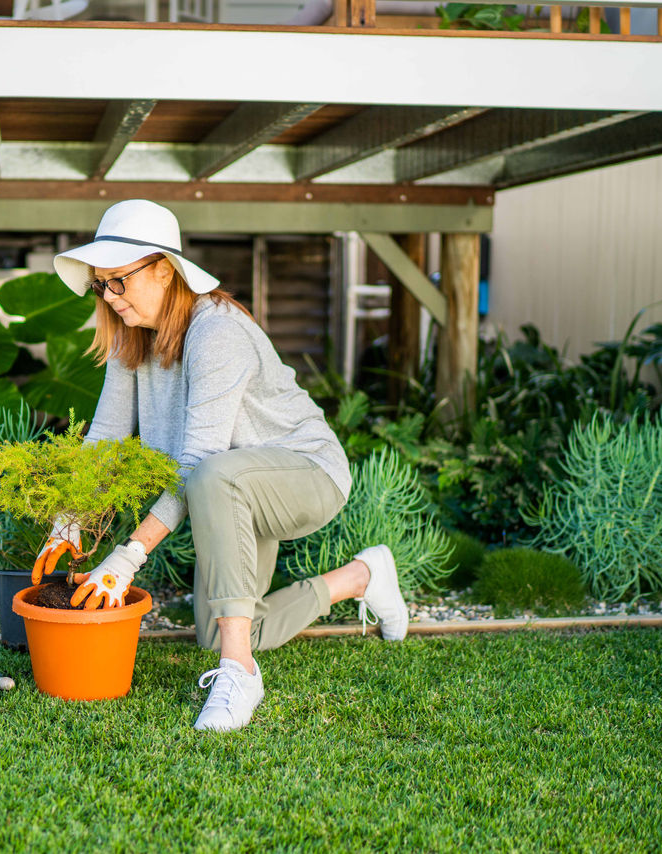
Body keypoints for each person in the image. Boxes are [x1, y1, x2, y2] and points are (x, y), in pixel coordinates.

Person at [42, 199, 408, 733]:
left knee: (213, 476)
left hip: (307, 475)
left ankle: (239, 674)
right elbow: (104, 440)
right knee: (223, 625)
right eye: (102, 285)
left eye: (119, 281)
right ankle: (362, 577)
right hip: (231, 488)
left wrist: (129, 556)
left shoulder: (217, 332)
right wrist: (69, 520)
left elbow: (198, 463)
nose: (109, 297)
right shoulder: (132, 339)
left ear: (164, 271)